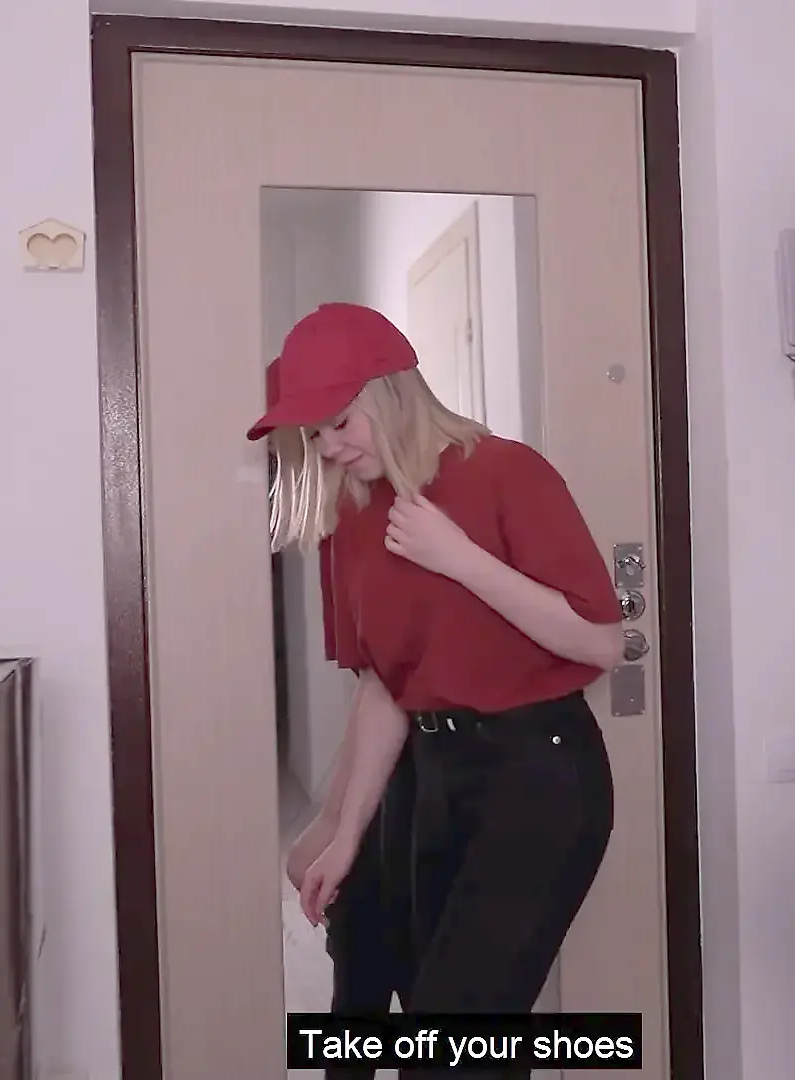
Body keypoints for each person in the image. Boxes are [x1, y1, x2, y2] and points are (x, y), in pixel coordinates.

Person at [252, 301, 624, 1076]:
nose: (328, 448)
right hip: (431, 778)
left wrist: (459, 557)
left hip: (538, 776)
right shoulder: (354, 514)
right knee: (444, 1026)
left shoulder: (506, 472)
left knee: (456, 1042)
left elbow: (600, 642)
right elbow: (386, 688)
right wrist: (340, 830)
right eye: (313, 436)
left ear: (392, 392)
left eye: (338, 423)